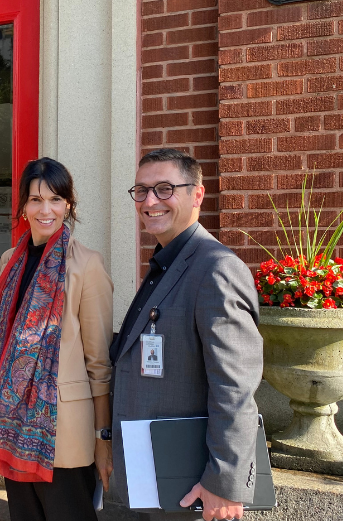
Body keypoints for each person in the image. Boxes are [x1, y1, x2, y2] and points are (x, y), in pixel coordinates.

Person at [109, 148, 263, 521]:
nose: (150, 201)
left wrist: (223, 482)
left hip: (190, 485)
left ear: (197, 194)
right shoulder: (167, 264)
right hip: (151, 473)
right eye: (141, 191)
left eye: (164, 189)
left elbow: (234, 389)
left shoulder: (216, 269)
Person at [0, 157, 114, 521]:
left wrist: (103, 438)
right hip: (12, 426)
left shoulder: (86, 265)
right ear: (22, 207)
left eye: (54, 199)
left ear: (69, 205)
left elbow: (99, 362)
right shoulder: (9, 260)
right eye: (35, 200)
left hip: (62, 428)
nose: (45, 209)